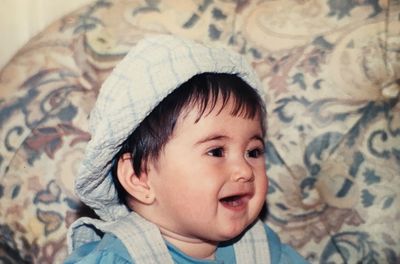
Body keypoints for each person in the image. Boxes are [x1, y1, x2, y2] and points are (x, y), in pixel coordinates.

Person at [65, 35, 308, 263]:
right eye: (216, 151)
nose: (245, 170)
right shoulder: (118, 258)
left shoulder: (264, 250)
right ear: (140, 178)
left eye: (253, 152)